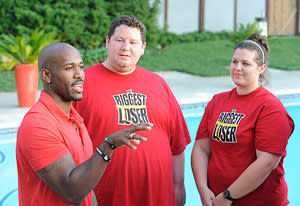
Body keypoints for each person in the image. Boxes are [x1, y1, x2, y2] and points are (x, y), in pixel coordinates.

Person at [73, 15, 191, 206]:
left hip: (158, 197)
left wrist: (179, 186)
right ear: (107, 42)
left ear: (143, 48)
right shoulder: (81, 84)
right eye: (120, 40)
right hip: (106, 197)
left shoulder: (158, 84)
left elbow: (177, 145)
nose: (126, 47)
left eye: (133, 42)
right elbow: (68, 149)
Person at [16, 42, 153, 206]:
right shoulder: (38, 126)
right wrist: (107, 146)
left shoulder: (75, 119)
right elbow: (73, 193)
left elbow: (87, 187)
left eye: (80, 67)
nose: (79, 74)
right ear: (46, 75)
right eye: (69, 68)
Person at [191, 33, 295, 206]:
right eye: (234, 61)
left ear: (261, 68)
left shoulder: (270, 108)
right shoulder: (217, 101)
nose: (237, 67)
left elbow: (266, 162)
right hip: (215, 200)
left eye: (246, 63)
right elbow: (201, 148)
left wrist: (228, 197)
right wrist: (203, 190)